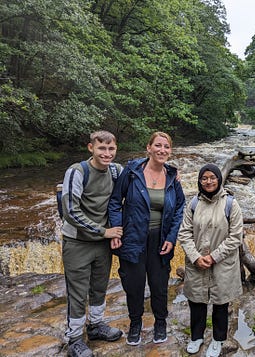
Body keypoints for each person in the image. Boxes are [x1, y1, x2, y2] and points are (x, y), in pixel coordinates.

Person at [108, 131, 185, 346]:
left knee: (160, 285)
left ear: (170, 151)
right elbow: (115, 202)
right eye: (158, 145)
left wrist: (171, 237)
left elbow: (180, 207)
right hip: (132, 237)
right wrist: (115, 227)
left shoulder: (172, 176)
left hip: (161, 239)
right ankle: (135, 324)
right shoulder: (132, 173)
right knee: (134, 284)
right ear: (148, 148)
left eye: (166, 147)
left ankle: (161, 323)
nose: (162, 150)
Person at [60, 130, 124, 357]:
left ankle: (96, 326)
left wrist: (170, 174)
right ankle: (75, 339)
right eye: (102, 148)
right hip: (78, 242)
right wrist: (104, 231)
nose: (107, 154)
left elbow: (137, 183)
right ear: (91, 148)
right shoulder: (77, 172)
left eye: (111, 149)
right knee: (77, 293)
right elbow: (70, 212)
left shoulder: (117, 171)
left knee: (99, 287)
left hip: (102, 243)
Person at [178, 163, 244, 357]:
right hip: (196, 262)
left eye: (212, 178)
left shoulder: (231, 204)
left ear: (218, 179)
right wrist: (196, 257)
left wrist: (214, 256)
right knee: (196, 301)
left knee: (220, 303)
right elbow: (184, 233)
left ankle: (218, 339)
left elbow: (235, 236)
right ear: (200, 181)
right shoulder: (193, 204)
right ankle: (196, 337)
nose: (208, 181)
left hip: (221, 263)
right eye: (204, 178)